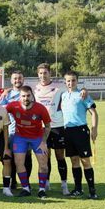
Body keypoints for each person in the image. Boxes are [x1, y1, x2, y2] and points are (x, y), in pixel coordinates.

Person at [6, 86, 51, 198]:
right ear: (19, 97)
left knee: (44, 165)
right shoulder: (13, 106)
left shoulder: (40, 108)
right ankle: (25, 188)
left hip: (37, 138)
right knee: (19, 163)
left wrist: (43, 142)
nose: (26, 98)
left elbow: (48, 126)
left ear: (32, 96)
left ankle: (41, 189)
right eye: (23, 96)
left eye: (28, 96)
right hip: (20, 138)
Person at [61, 71, 98, 199]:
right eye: (68, 81)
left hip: (80, 131)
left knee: (85, 161)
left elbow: (93, 113)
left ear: (77, 81)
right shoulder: (64, 95)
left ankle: (92, 191)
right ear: (65, 82)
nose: (71, 83)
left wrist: (94, 129)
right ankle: (78, 189)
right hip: (68, 132)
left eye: (73, 80)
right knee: (74, 161)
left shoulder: (83, 95)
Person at [34, 63, 69, 195]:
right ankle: (46, 182)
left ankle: (64, 184)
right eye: (40, 73)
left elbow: (72, 89)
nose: (43, 76)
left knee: (60, 156)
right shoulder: (35, 89)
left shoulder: (59, 88)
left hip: (57, 127)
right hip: (42, 128)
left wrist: (84, 91)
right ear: (38, 74)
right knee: (45, 157)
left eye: (45, 73)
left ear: (50, 73)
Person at [0, 71, 32, 189]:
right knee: (11, 156)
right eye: (15, 79)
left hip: (27, 130)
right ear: (11, 81)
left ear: (23, 79)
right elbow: (0, 110)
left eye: (20, 78)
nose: (17, 80)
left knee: (27, 156)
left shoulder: (29, 93)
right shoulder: (6, 95)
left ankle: (26, 182)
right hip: (12, 131)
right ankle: (13, 181)